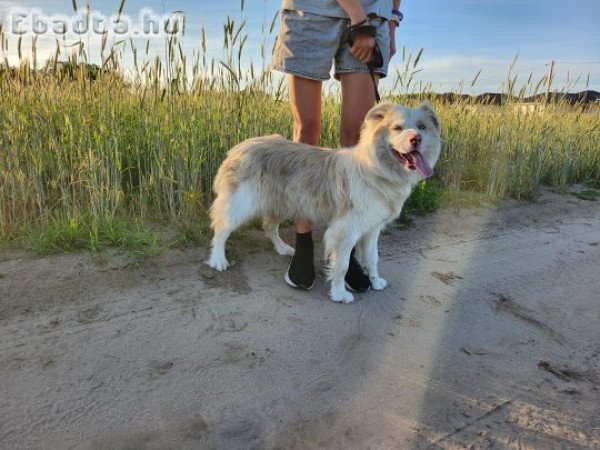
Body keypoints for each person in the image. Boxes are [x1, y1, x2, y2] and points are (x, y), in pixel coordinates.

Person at [272, 0, 402, 290]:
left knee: (358, 140)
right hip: (313, 12)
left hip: (373, 17)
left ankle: (346, 245)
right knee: (306, 135)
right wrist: (358, 19)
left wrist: (391, 22)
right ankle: (303, 240)